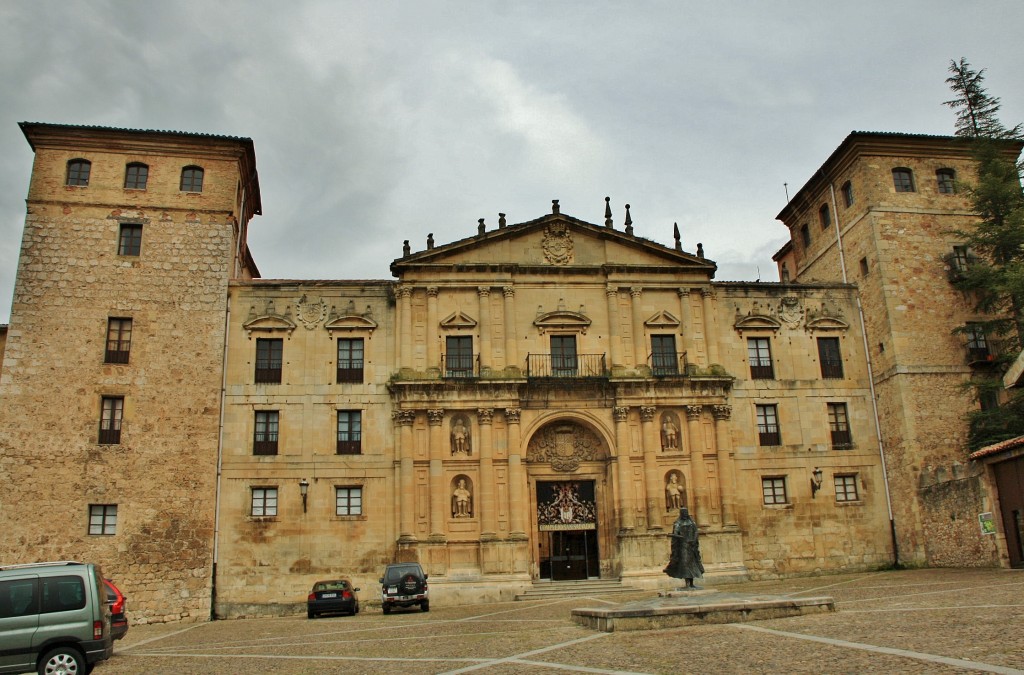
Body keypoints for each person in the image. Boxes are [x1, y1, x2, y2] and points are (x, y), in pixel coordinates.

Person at [664, 507, 703, 588]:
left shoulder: (691, 522)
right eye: (684, 513)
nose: (685, 514)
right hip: (683, 547)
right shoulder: (678, 523)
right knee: (685, 564)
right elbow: (675, 533)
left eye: (686, 512)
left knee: (693, 564)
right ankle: (687, 584)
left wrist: (693, 540)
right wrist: (680, 537)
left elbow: (695, 531)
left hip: (691, 546)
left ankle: (692, 583)